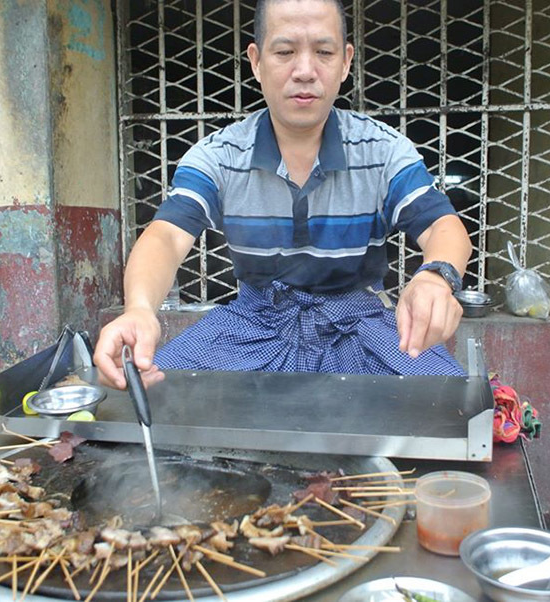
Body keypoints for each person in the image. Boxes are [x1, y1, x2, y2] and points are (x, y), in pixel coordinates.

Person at [95, 0, 472, 389]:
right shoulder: (218, 156)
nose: (305, 71)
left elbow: (442, 225)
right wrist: (139, 309)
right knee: (152, 393)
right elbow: (167, 236)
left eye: (323, 52)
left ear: (345, 62)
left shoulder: (383, 150)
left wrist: (436, 277)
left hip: (363, 324)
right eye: (285, 51)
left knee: (451, 412)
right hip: (251, 326)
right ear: (256, 62)